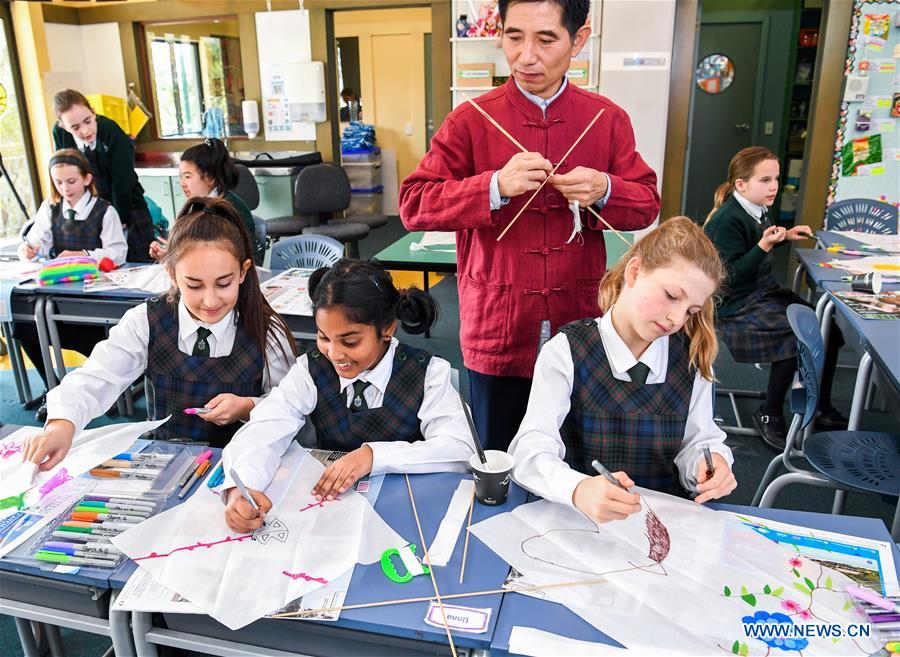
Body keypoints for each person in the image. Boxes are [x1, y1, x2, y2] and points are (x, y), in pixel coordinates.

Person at [399, 0, 660, 452]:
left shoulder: (606, 119)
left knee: (574, 453)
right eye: (514, 36)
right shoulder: (471, 118)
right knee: (498, 455)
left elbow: (646, 206)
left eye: (545, 39)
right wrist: (493, 186)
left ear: (578, 39)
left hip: (579, 317)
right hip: (497, 321)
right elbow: (413, 203)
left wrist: (605, 188)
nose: (525, 55)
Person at [22, 196, 299, 471]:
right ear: (171, 274)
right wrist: (62, 423)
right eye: (194, 286)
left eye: (223, 284)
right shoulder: (146, 321)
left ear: (243, 272)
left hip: (240, 467)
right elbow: (97, 376)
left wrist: (247, 406)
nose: (211, 300)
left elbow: (289, 406)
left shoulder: (265, 330)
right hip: (165, 464)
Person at [221, 259, 474, 533]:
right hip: (336, 513)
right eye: (324, 337)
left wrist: (372, 456)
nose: (335, 354)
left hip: (408, 509)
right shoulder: (312, 369)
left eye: (350, 341)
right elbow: (266, 427)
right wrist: (242, 487)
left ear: (387, 328)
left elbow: (460, 448)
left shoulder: (427, 373)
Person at [509, 218, 737, 523]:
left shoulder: (692, 358)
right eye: (671, 296)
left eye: (691, 311)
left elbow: (698, 441)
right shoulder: (566, 351)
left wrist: (710, 464)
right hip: (581, 524)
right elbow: (530, 451)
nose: (676, 319)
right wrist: (577, 488)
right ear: (634, 271)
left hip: (664, 527)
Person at [704, 146, 847, 450]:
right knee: (793, 333)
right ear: (741, 184)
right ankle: (769, 413)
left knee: (828, 329)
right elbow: (727, 277)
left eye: (776, 179)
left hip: (761, 290)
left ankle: (819, 403)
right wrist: (766, 245)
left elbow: (754, 249)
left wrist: (783, 236)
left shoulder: (757, 206)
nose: (773, 187)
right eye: (765, 180)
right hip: (735, 303)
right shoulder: (727, 219)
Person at [15, 149, 128, 420]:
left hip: (92, 301)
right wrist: (28, 249)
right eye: (58, 182)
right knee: (24, 329)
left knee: (97, 341)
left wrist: (85, 255)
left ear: (87, 179)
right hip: (55, 295)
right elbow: (36, 242)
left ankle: (104, 391)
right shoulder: (49, 209)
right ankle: (52, 389)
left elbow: (117, 252)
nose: (65, 188)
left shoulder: (105, 210)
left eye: (72, 181)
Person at [52, 89, 156, 263]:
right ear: (63, 126)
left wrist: (118, 219)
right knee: (95, 267)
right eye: (75, 127)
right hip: (92, 211)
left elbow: (123, 182)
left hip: (127, 206)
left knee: (138, 266)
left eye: (88, 121)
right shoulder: (60, 133)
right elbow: (63, 169)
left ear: (93, 111)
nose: (85, 131)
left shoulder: (112, 132)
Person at [150, 138, 263, 265]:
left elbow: (227, 258)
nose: (182, 184)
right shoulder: (197, 206)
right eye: (180, 176)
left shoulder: (229, 208)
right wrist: (170, 254)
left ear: (210, 178)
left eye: (188, 176)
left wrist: (177, 255)